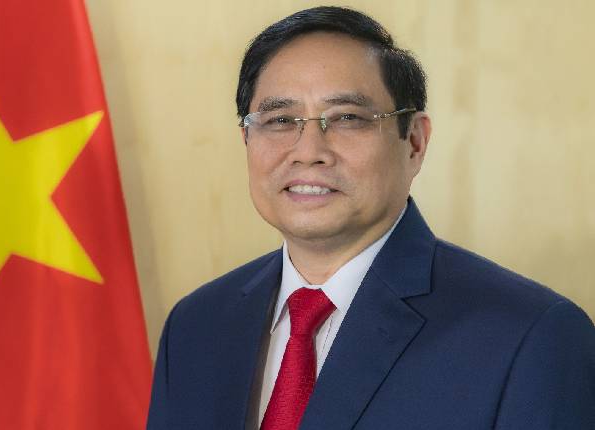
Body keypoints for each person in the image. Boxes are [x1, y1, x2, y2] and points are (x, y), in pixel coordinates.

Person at [146, 6, 595, 430]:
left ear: (414, 142)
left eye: (347, 118)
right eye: (281, 120)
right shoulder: (195, 325)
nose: (308, 152)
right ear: (246, 139)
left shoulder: (531, 337)